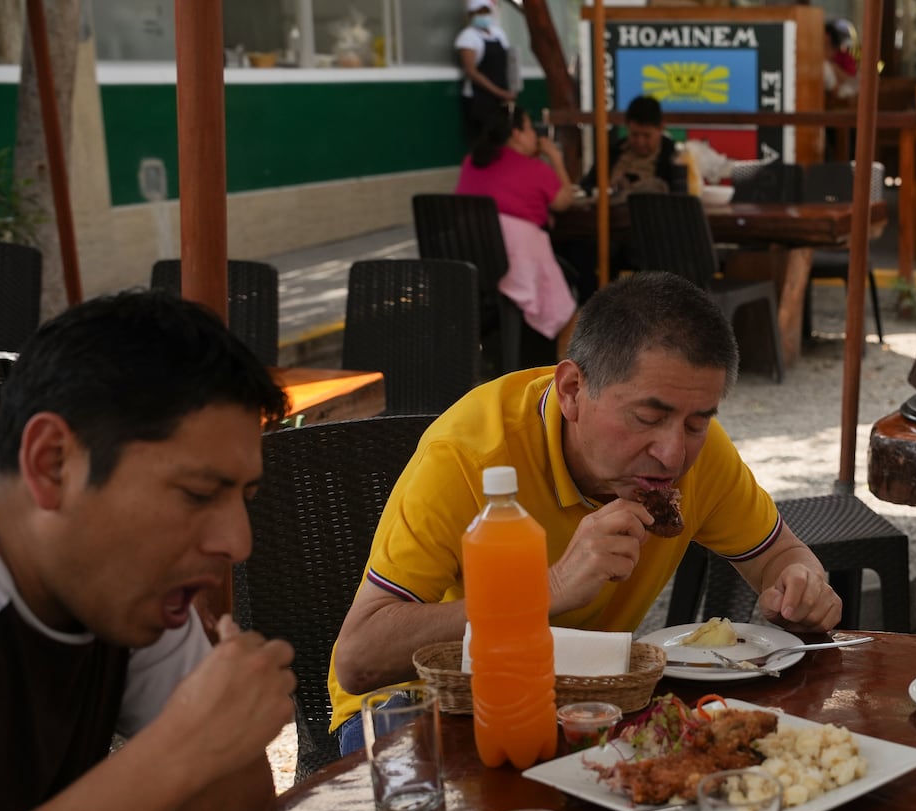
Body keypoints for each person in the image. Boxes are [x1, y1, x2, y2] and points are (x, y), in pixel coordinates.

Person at [328, 272, 842, 752]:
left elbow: (779, 553)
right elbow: (359, 659)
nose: (672, 453)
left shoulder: (698, 456)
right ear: (573, 390)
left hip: (578, 700)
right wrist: (545, 590)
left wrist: (800, 582)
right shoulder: (469, 459)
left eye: (696, 423)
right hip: (414, 710)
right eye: (647, 417)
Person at [0, 292, 296, 811]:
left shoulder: (117, 589)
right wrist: (184, 745)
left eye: (244, 498)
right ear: (52, 463)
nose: (236, 540)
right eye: (198, 494)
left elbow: (236, 787)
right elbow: (202, 762)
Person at [456, 107, 577, 339]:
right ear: (517, 134)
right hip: (512, 265)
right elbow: (564, 201)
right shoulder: (534, 168)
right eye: (530, 128)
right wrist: (555, 157)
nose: (535, 135)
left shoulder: (471, 162)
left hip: (469, 262)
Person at [580, 95, 685, 197]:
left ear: (661, 128)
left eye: (647, 136)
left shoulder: (674, 159)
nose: (640, 142)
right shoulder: (613, 152)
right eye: (634, 135)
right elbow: (587, 185)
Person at [455, 0, 514, 149]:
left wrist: (510, 90)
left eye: (485, 12)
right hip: (479, 100)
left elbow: (509, 62)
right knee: (482, 142)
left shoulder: (498, 33)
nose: (483, 16)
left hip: (501, 100)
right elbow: (471, 71)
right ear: (471, 15)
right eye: (479, 12)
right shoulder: (467, 37)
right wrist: (498, 92)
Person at [824, 19, 859, 103]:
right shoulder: (824, 64)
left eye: (826, 44)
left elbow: (852, 80)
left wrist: (834, 68)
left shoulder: (844, 57)